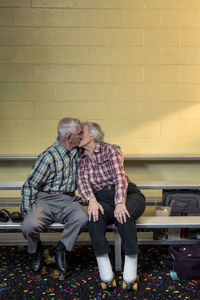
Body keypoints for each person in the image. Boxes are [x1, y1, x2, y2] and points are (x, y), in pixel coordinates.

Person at [77, 122, 145, 289]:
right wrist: (91, 200)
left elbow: (120, 178)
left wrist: (120, 202)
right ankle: (105, 269)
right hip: (102, 199)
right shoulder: (80, 158)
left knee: (124, 214)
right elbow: (82, 182)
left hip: (128, 194)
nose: (78, 136)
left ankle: (131, 265)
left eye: (81, 133)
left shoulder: (110, 150)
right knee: (94, 217)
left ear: (92, 136)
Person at [20, 117, 88, 275]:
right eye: (80, 133)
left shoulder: (78, 151)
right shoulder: (48, 157)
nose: (82, 135)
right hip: (46, 201)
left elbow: (102, 148)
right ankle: (37, 249)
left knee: (82, 218)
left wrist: (116, 149)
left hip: (69, 200)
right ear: (69, 137)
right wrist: (27, 212)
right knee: (28, 226)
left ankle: (60, 249)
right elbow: (30, 185)